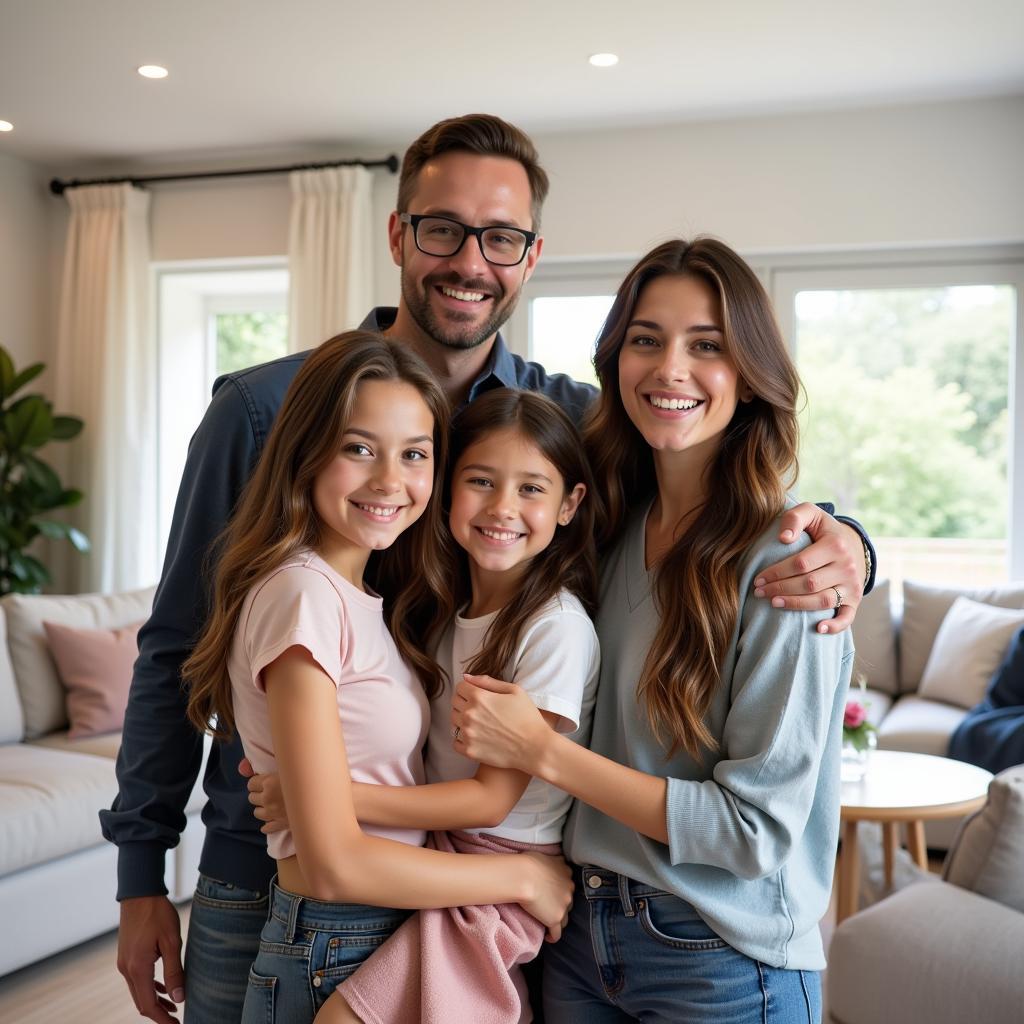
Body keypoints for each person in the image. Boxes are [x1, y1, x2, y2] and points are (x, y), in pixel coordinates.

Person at [101, 112, 872, 1024]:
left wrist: (850, 543)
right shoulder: (265, 410)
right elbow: (176, 645)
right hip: (265, 864)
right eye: (443, 229)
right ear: (398, 235)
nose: (471, 261)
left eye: (500, 237)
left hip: (472, 889)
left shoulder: (569, 419)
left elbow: (707, 463)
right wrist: (141, 872)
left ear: (531, 256)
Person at [451, 238, 856, 1023]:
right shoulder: (603, 527)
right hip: (575, 940)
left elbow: (752, 834)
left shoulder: (788, 565)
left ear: (749, 375)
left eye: (706, 345)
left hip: (722, 960)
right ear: (615, 363)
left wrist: (542, 751)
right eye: (646, 339)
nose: (670, 367)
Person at [181, 332, 574, 1024]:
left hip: (377, 927)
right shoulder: (302, 596)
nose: (390, 481)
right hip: (333, 936)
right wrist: (519, 877)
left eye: (414, 454)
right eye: (359, 448)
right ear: (305, 451)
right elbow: (333, 863)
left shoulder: (363, 598)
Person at [287, 388, 599, 1024]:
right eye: (480, 480)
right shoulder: (441, 615)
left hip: (501, 872)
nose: (503, 508)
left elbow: (491, 800)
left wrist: (327, 799)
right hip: (438, 858)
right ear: (446, 487)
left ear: (570, 505)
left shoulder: (554, 627)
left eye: (532, 489)